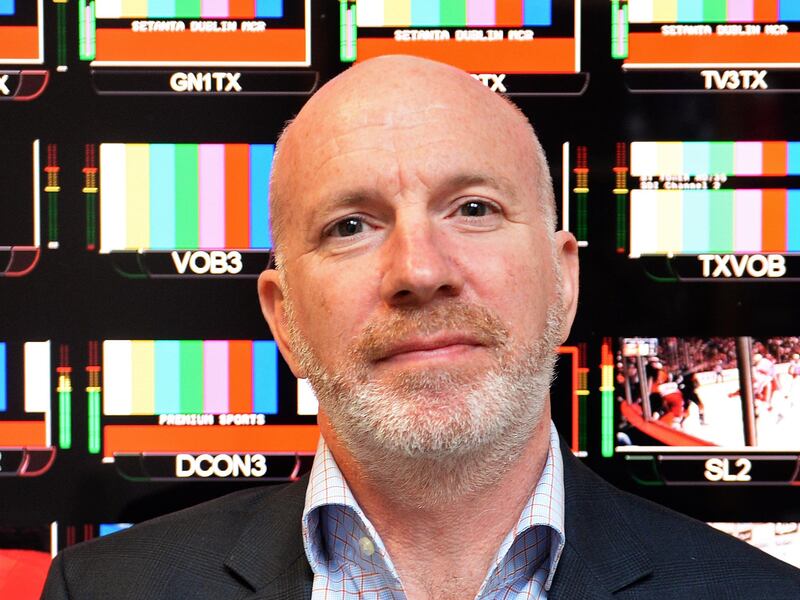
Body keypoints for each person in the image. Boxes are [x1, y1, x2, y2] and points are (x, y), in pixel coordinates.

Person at [41, 56, 800, 599]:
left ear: (563, 282)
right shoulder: (105, 589)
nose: (419, 269)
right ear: (283, 317)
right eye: (350, 225)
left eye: (474, 208)